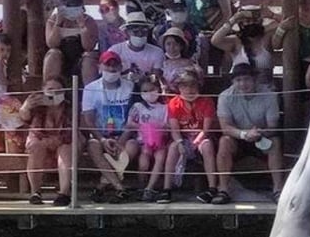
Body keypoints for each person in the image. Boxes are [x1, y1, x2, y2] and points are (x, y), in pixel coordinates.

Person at [217, 63, 285, 202]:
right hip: (237, 138)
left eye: (247, 79)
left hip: (262, 136)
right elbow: (225, 127)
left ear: (255, 79)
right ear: (233, 82)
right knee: (224, 142)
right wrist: (244, 134)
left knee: (275, 143)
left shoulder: (270, 95)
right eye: (238, 80)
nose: (243, 84)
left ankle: (278, 189)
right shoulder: (225, 96)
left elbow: (273, 126)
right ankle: (223, 190)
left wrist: (258, 133)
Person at [81, 50, 137, 201]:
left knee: (132, 146)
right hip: (101, 136)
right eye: (108, 65)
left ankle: (102, 186)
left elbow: (134, 116)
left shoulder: (131, 87)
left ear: (120, 68)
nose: (112, 69)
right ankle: (120, 188)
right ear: (100, 67)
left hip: (125, 135)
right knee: (92, 145)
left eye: (115, 66)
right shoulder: (90, 88)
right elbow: (89, 120)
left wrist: (121, 140)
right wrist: (103, 140)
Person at [164, 69, 222, 203]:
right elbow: (174, 128)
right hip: (183, 138)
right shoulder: (173, 103)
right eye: (184, 86)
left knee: (207, 146)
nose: (189, 90)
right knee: (173, 148)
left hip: (201, 137)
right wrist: (180, 143)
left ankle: (212, 188)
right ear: (178, 88)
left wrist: (195, 143)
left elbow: (206, 130)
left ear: (198, 86)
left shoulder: (206, 101)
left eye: (193, 86)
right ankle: (166, 189)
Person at [20, 79, 73, 206]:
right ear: (43, 91)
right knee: (35, 147)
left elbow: (71, 131)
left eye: (58, 90)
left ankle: (64, 193)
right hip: (40, 139)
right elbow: (25, 118)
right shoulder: (36, 104)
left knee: (65, 150)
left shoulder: (69, 106)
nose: (54, 93)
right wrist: (26, 106)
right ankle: (35, 193)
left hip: (63, 140)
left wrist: (55, 141)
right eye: (50, 90)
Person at [43, 0, 99, 89]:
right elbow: (51, 43)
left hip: (80, 56)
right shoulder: (53, 20)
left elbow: (89, 46)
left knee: (89, 57)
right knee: (52, 54)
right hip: (61, 57)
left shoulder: (89, 21)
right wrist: (58, 24)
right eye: (68, 6)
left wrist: (82, 25)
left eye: (75, 6)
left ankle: (89, 94)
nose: (71, 9)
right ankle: (50, 90)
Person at [129, 73, 171, 202]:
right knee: (144, 157)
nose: (149, 93)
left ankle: (150, 187)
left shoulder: (165, 108)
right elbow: (130, 123)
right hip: (144, 141)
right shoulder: (138, 107)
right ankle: (142, 185)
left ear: (158, 89)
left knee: (160, 157)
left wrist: (160, 127)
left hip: (161, 141)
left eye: (152, 90)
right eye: (145, 91)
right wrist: (143, 127)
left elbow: (168, 125)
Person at [210, 5, 277, 85]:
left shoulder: (267, 37)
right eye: (247, 21)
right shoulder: (235, 41)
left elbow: (286, 22)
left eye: (255, 21)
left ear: (260, 22)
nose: (251, 24)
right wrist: (233, 20)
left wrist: (272, 15)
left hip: (265, 90)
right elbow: (215, 41)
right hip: (240, 89)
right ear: (241, 24)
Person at [114, 10, 164, 78]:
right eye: (135, 31)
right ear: (126, 33)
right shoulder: (115, 51)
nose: (140, 34)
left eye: (144, 31)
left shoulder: (157, 52)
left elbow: (156, 77)